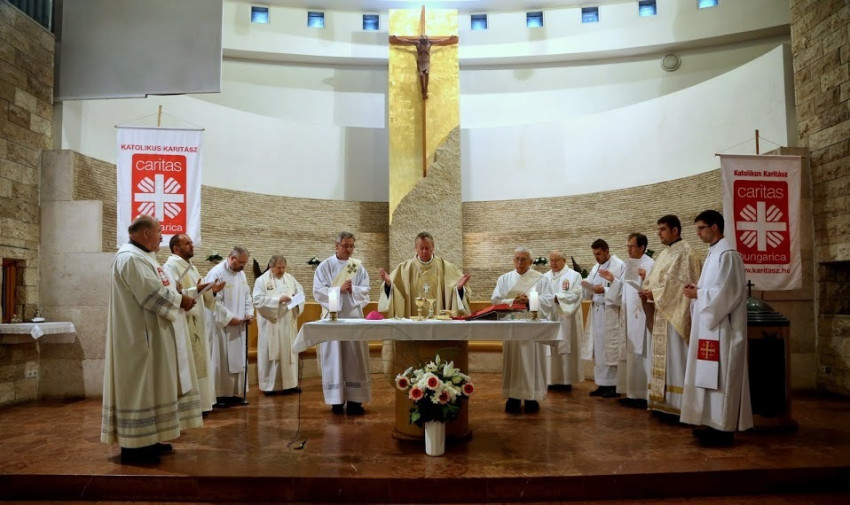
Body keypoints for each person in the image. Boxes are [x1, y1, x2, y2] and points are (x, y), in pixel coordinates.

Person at [101, 215, 203, 464]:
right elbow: (150, 293)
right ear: (146, 232)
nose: (161, 236)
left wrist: (176, 292)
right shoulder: (130, 258)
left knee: (154, 386)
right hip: (138, 339)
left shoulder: (145, 257)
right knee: (141, 388)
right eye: (158, 231)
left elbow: (161, 287)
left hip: (152, 335)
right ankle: (135, 447)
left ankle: (151, 437)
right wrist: (181, 300)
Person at [682, 210, 753, 446]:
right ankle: (711, 423)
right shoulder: (714, 253)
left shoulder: (728, 255)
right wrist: (697, 290)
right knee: (710, 378)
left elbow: (729, 293)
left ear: (715, 227)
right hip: (710, 327)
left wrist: (699, 294)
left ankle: (724, 430)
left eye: (701, 228)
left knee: (722, 378)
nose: (698, 233)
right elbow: (714, 288)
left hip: (724, 329)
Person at [378, 232, 471, 372]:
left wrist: (458, 289)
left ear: (433, 247)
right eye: (421, 248)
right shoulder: (404, 268)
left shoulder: (447, 267)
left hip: (440, 329)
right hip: (412, 328)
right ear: (415, 248)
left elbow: (458, 292)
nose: (424, 251)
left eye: (427, 248)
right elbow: (395, 292)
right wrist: (389, 285)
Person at [639, 215, 702, 421]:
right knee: (662, 360)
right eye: (658, 229)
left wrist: (654, 293)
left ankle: (678, 406)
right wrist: (646, 290)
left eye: (663, 229)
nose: (659, 233)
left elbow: (679, 285)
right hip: (661, 313)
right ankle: (661, 403)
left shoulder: (686, 252)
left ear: (675, 230)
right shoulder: (665, 253)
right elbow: (655, 280)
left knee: (676, 359)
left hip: (676, 315)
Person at [163, 234, 225, 415]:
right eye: (187, 243)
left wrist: (211, 291)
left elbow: (200, 293)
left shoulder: (191, 267)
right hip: (184, 322)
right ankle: (189, 407)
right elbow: (172, 295)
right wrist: (196, 289)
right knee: (189, 364)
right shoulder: (170, 267)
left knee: (200, 362)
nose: (192, 246)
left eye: (191, 242)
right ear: (176, 248)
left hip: (197, 321)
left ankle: (202, 404)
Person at [313, 231, 372, 415]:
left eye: (351, 246)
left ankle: (355, 401)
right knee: (334, 357)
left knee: (354, 358)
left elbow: (366, 290)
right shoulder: (325, 266)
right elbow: (318, 291)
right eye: (345, 246)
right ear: (336, 246)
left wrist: (354, 290)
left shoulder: (357, 267)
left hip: (353, 317)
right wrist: (338, 289)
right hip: (333, 318)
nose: (349, 250)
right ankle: (336, 401)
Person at [491, 247, 551, 414]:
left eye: (523, 259)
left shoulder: (541, 279)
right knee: (514, 362)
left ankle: (532, 397)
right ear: (513, 260)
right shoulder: (504, 279)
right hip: (512, 326)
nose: (519, 262)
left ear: (530, 261)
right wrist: (513, 301)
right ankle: (513, 397)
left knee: (532, 362)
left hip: (532, 327)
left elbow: (548, 300)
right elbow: (496, 300)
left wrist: (530, 300)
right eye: (517, 259)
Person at [608, 233, 655, 408]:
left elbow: (655, 287)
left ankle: (643, 394)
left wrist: (645, 278)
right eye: (627, 246)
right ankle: (631, 392)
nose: (628, 249)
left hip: (642, 317)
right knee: (630, 354)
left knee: (642, 354)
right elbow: (623, 288)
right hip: (628, 316)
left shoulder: (650, 264)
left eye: (632, 246)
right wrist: (613, 280)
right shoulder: (630, 264)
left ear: (642, 247)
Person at [204, 246, 254, 407]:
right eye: (241, 262)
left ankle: (232, 393)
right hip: (220, 326)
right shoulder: (216, 273)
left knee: (236, 359)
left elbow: (247, 296)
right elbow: (212, 301)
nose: (243, 266)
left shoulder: (241, 274)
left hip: (238, 325)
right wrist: (229, 318)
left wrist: (249, 313)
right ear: (232, 258)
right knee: (221, 359)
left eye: (245, 263)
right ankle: (219, 395)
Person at [252, 255, 305, 395]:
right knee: (272, 353)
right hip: (271, 324)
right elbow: (257, 300)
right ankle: (270, 386)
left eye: (283, 267)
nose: (281, 270)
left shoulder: (290, 279)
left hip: (288, 323)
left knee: (289, 354)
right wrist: (277, 301)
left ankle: (290, 384)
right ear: (271, 267)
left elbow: (301, 295)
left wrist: (295, 301)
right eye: (278, 268)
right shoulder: (261, 281)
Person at [582, 239, 626, 398]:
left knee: (610, 347)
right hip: (597, 311)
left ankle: (613, 385)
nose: (596, 257)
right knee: (598, 349)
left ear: (607, 251)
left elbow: (623, 289)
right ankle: (601, 383)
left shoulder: (619, 265)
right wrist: (587, 287)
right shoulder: (596, 268)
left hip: (611, 312)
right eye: (594, 254)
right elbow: (589, 287)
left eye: (599, 254)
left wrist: (605, 291)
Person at [539, 250, 585, 391]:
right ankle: (550, 380)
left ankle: (566, 380)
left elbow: (576, 295)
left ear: (564, 261)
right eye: (551, 260)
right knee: (550, 348)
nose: (553, 263)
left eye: (556, 260)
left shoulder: (574, 276)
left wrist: (558, 298)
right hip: (549, 317)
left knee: (565, 345)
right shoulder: (544, 277)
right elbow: (539, 296)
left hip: (566, 318)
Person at [389, 33, 458, 100]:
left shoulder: (430, 43)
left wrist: (449, 39)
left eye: (425, 39)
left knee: (427, 74)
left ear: (427, 39)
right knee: (421, 75)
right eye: (423, 39)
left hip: (426, 62)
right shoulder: (417, 43)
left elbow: (440, 41)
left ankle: (426, 90)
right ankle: (423, 91)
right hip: (420, 62)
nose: (424, 40)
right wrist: (397, 39)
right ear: (421, 39)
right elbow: (406, 41)